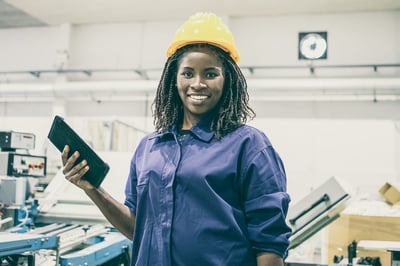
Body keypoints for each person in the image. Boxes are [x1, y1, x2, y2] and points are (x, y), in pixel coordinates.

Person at [61, 12, 292, 266]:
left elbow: (269, 246)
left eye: (210, 74)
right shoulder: (149, 148)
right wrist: (93, 189)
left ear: (228, 80)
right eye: (188, 73)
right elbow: (137, 228)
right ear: (174, 78)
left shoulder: (249, 146)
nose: (198, 83)